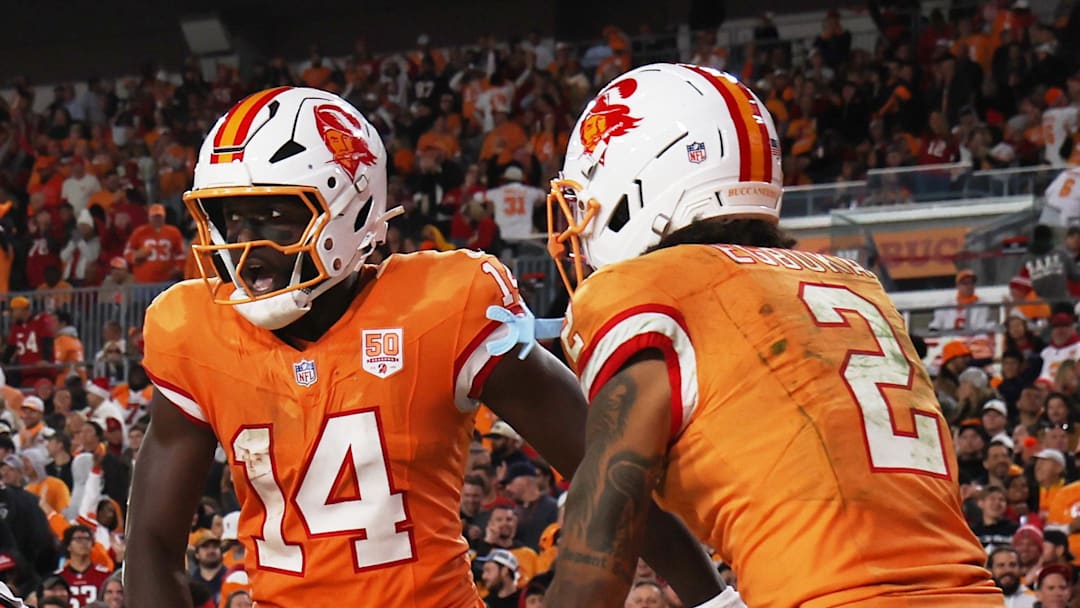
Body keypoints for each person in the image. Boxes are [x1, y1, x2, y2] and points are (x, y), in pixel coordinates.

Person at [126, 87, 724, 608]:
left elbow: (609, 465)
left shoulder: (442, 305)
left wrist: (714, 600)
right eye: (232, 222)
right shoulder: (194, 328)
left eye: (278, 218)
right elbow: (151, 539)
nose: (247, 248)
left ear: (351, 207)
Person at [542, 64, 1001, 606]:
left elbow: (603, 535)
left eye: (585, 197)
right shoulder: (855, 283)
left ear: (638, 182)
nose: (579, 221)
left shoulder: (650, 287)